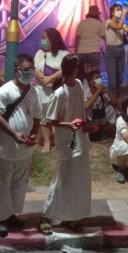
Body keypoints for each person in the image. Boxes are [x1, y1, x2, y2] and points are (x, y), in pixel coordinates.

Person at [0, 54, 44, 237]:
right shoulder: (5, 91)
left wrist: (34, 133)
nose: (29, 73)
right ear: (17, 70)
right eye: (25, 69)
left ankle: (11, 215)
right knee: (2, 183)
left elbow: (36, 115)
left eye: (31, 69)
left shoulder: (33, 91)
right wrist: (14, 134)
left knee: (18, 184)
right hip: (5, 146)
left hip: (23, 148)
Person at [42, 55, 92, 232]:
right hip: (67, 140)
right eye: (78, 67)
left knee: (78, 178)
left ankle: (71, 216)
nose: (80, 70)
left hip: (80, 137)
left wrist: (87, 124)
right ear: (72, 68)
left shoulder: (77, 85)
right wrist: (69, 125)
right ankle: (47, 214)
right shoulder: (60, 93)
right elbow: (50, 121)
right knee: (63, 177)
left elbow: (81, 110)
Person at [34, 28, 69, 152]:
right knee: (43, 115)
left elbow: (64, 69)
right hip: (41, 89)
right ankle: (47, 142)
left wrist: (51, 78)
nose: (42, 41)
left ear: (52, 39)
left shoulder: (64, 54)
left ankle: (59, 139)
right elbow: (35, 69)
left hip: (57, 88)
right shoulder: (39, 53)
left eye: (44, 38)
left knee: (57, 115)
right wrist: (44, 79)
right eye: (42, 38)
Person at [83, 70, 117, 139]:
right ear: (91, 82)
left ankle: (103, 131)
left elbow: (115, 104)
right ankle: (96, 133)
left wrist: (108, 92)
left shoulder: (102, 92)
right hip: (89, 119)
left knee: (111, 109)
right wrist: (98, 91)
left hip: (100, 118)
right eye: (97, 77)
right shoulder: (85, 92)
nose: (100, 79)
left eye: (100, 77)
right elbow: (87, 106)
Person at [104, 3, 128, 93]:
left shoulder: (122, 23)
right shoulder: (108, 22)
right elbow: (118, 27)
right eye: (117, 10)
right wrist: (124, 15)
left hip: (121, 50)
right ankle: (112, 102)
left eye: (120, 9)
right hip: (111, 51)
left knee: (120, 78)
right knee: (112, 78)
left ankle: (117, 98)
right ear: (111, 12)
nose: (120, 11)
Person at [74, 5, 105, 76]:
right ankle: (95, 87)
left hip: (81, 51)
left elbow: (77, 38)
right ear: (97, 15)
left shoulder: (81, 23)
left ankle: (84, 86)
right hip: (94, 50)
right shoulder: (99, 23)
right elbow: (104, 37)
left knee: (82, 73)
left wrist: (76, 50)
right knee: (95, 74)